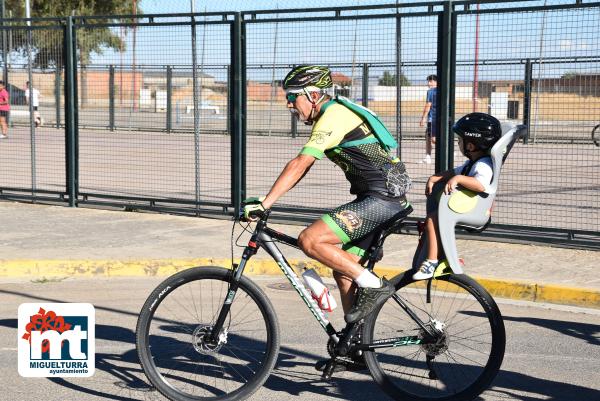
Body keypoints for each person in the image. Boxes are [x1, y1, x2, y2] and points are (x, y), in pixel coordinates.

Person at [243, 65, 412, 370]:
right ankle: (356, 347)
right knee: (344, 272)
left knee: (311, 239)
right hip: (381, 197)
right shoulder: (333, 113)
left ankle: (374, 287)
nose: (289, 104)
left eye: (293, 97)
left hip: (383, 199)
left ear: (313, 95)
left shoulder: (333, 116)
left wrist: (266, 203)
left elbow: (301, 163)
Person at [413, 112, 502, 280]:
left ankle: (431, 262)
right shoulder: (474, 162)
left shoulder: (484, 165)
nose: (458, 143)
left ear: (470, 145)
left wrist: (459, 179)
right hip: (469, 207)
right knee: (435, 218)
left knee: (433, 219)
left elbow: (481, 185)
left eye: (460, 140)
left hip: (476, 212)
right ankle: (441, 256)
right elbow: (453, 172)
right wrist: (435, 178)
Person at [419, 74, 438, 164]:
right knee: (428, 136)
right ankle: (428, 156)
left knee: (432, 139)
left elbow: (428, 105)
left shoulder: (431, 91)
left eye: (430, 81)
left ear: (436, 82)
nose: (429, 83)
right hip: (439, 119)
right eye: (428, 81)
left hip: (433, 118)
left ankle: (446, 150)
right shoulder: (443, 90)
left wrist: (423, 118)